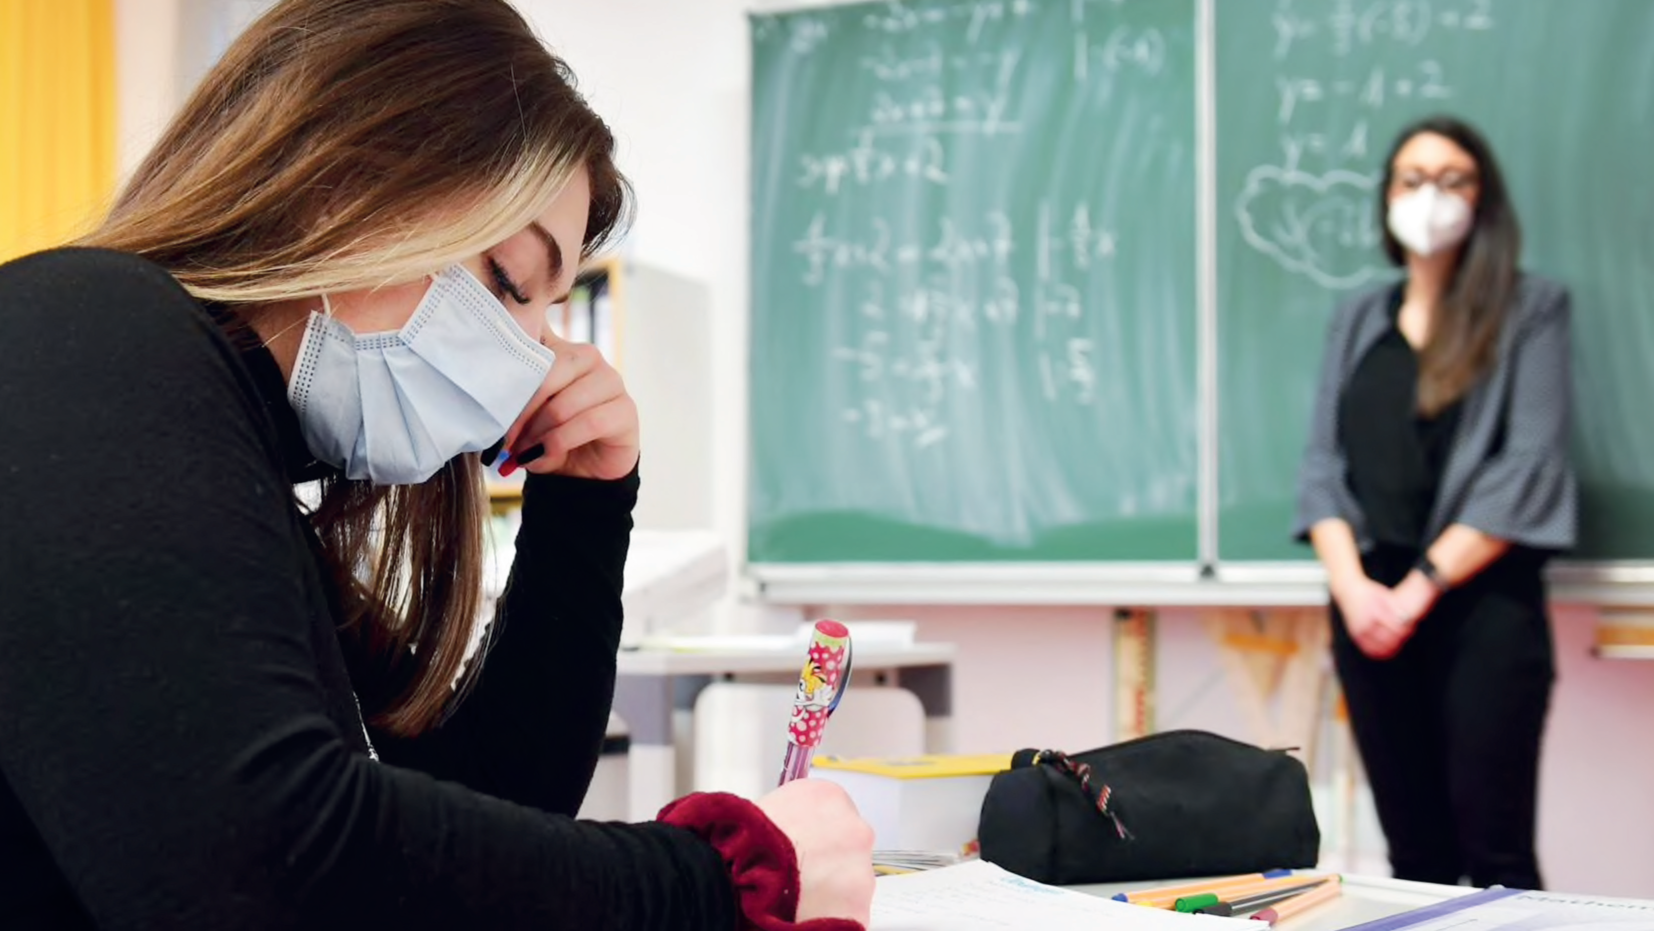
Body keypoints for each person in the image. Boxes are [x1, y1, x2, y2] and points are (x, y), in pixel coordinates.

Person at [0, 1, 874, 928]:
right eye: (506, 280)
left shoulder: (250, 480)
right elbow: (260, 860)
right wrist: (720, 879)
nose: (536, 355)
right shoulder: (73, 333)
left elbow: (490, 818)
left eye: (548, 308)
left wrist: (584, 504)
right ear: (343, 180)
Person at [1295, 114, 1574, 889]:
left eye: (1454, 178)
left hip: (1483, 608)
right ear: (1387, 197)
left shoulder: (1532, 309)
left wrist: (1417, 590)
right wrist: (1355, 591)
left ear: (1483, 199)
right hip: (1367, 613)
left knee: (1497, 854)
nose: (1431, 196)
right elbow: (1322, 464)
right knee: (1411, 858)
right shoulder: (1356, 316)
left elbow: (1528, 466)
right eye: (1413, 178)